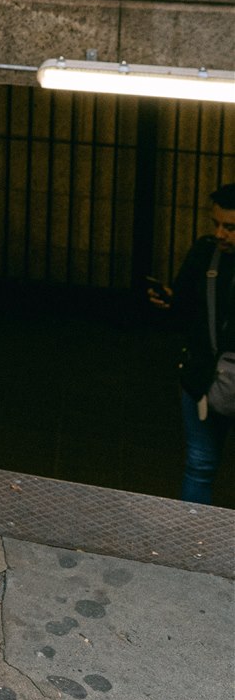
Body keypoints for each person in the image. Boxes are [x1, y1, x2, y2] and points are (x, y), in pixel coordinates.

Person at [149, 180, 235, 505]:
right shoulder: (204, 252)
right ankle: (193, 545)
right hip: (202, 377)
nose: (221, 234)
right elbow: (184, 305)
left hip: (204, 373)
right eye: (217, 224)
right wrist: (169, 300)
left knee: (200, 466)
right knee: (199, 465)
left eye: (231, 227)